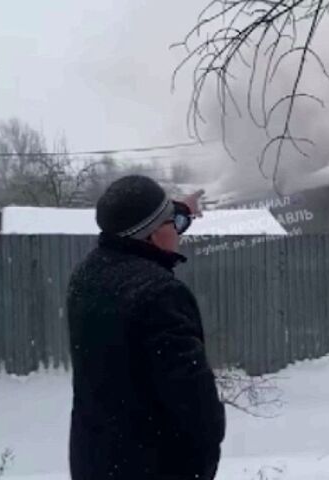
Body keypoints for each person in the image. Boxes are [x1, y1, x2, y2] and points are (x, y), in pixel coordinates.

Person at [66, 175, 225, 480]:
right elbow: (196, 408)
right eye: (174, 223)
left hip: (97, 462)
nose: (180, 231)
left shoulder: (86, 277)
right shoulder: (159, 294)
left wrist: (181, 209)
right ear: (151, 235)